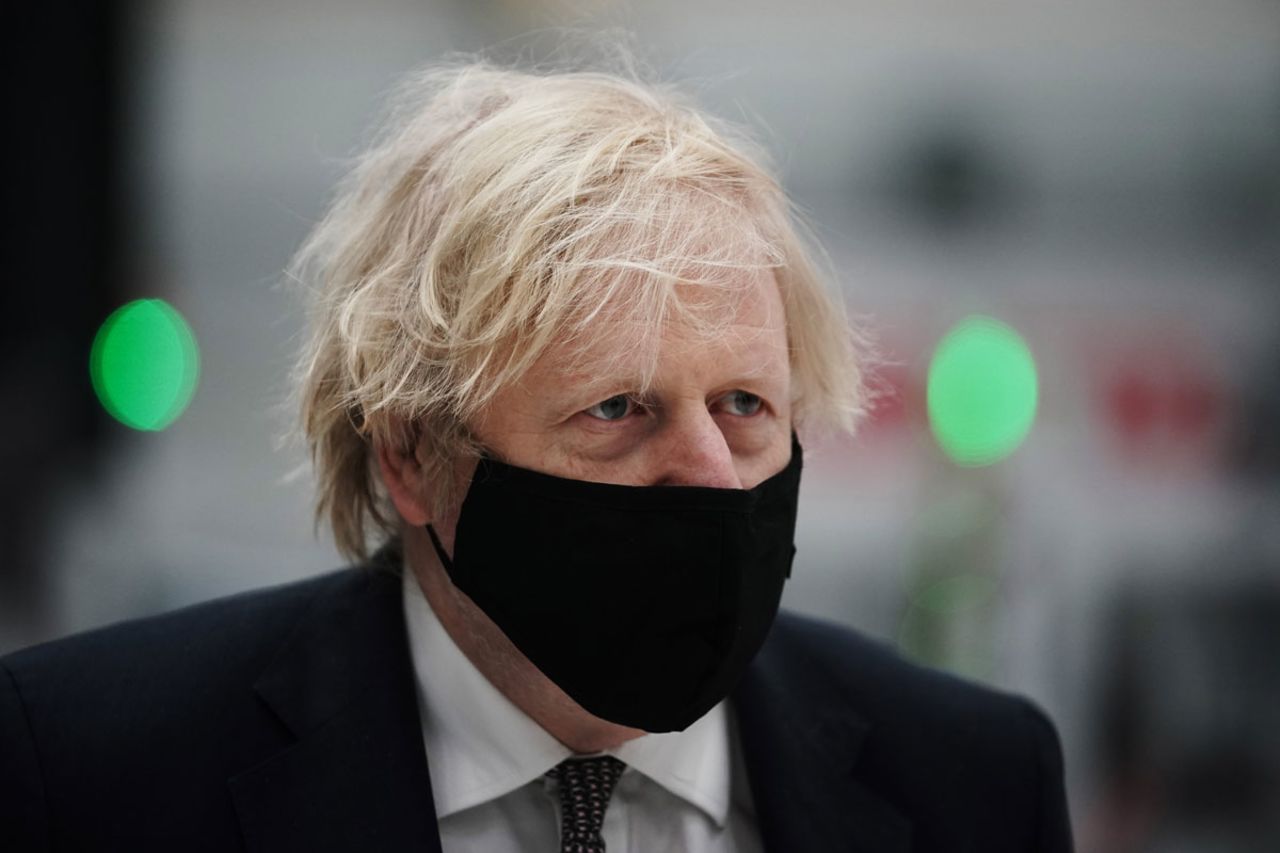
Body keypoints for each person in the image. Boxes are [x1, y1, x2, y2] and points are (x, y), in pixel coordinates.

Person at [0, 61, 1072, 852]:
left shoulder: (972, 784)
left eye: (744, 405)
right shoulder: (88, 774)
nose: (709, 472)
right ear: (413, 455)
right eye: (616, 408)